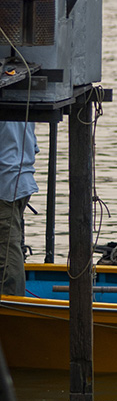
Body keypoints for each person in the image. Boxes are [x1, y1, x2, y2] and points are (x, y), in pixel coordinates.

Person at [0, 122, 36, 297]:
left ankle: (13, 302)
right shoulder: (24, 104)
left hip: (6, 186)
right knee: (10, 243)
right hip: (22, 181)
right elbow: (34, 147)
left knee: (7, 248)